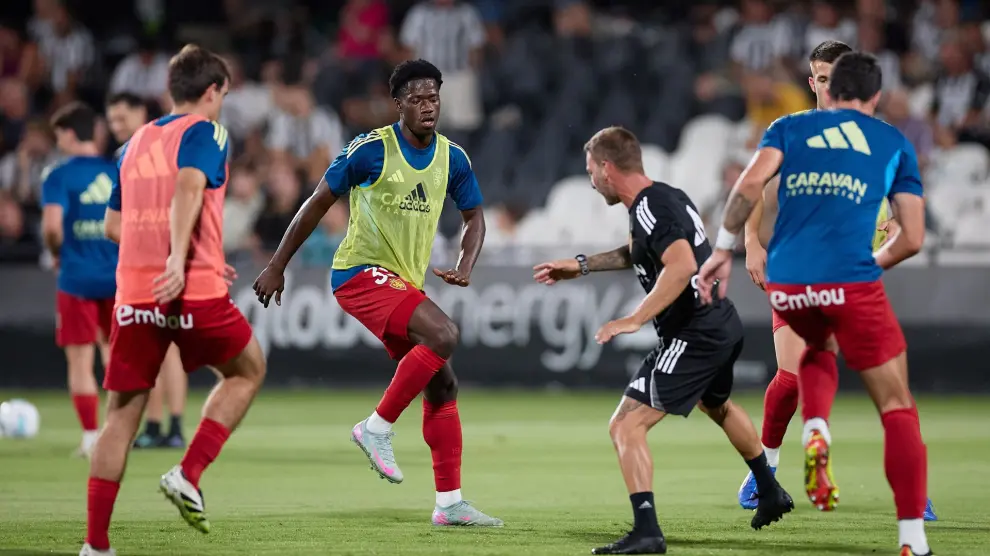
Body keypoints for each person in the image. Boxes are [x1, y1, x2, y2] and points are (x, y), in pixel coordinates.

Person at [698, 52, 933, 556]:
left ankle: (814, 429)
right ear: (874, 95)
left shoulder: (787, 130)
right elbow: (912, 237)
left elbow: (746, 185)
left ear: (835, 84)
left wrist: (724, 249)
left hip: (793, 278)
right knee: (895, 402)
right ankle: (912, 531)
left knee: (815, 354)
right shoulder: (887, 140)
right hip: (849, 276)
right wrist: (875, 258)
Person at [252, 59, 502, 527]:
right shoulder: (370, 150)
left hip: (403, 282)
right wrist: (276, 264)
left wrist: (467, 263)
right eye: (418, 99)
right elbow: (316, 203)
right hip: (358, 273)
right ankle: (375, 428)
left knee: (443, 383)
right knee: (445, 334)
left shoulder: (454, 158)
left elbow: (474, 216)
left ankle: (449, 504)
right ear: (399, 104)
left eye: (434, 98)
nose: (429, 106)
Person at [533, 127, 794, 555]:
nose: (591, 181)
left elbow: (680, 264)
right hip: (720, 324)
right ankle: (769, 490)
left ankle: (647, 531)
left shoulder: (650, 207)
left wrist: (634, 319)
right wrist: (580, 266)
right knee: (718, 406)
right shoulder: (662, 198)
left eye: (591, 172)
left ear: (606, 167)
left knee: (625, 425)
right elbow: (637, 251)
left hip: (694, 331)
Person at [81, 44, 267, 556]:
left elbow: (114, 225)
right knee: (247, 370)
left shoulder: (134, 143)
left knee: (120, 415)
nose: (223, 104)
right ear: (211, 92)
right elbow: (188, 187)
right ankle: (189, 473)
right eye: (223, 95)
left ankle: (96, 546)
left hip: (134, 294)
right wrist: (179, 259)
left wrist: (187, 251)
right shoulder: (208, 132)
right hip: (188, 289)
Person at [106, 91, 190, 450]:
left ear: (143, 112)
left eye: (123, 117)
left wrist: (142, 243)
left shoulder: (127, 155)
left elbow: (111, 226)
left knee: (153, 346)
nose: (117, 126)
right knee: (167, 347)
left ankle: (159, 426)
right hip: (173, 258)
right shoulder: (179, 150)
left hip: (147, 267)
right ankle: (168, 426)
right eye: (112, 120)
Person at [40, 102, 119, 459]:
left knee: (80, 363)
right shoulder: (116, 170)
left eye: (59, 136)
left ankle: (90, 437)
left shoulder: (58, 176)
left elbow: (52, 227)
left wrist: (56, 249)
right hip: (117, 279)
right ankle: (118, 433)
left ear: (70, 135)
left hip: (76, 279)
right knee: (116, 358)